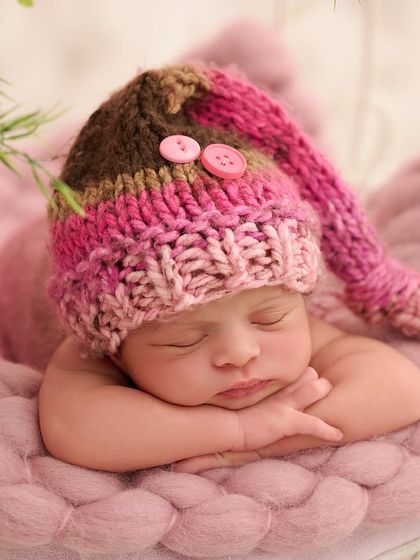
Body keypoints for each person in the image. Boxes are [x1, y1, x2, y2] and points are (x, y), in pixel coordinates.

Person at [38, 63, 420, 473]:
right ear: (114, 348)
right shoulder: (97, 337)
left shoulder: (281, 302)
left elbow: (400, 387)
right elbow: (76, 429)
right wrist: (236, 429)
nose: (240, 353)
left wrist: (270, 439)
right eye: (185, 340)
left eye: (270, 319)